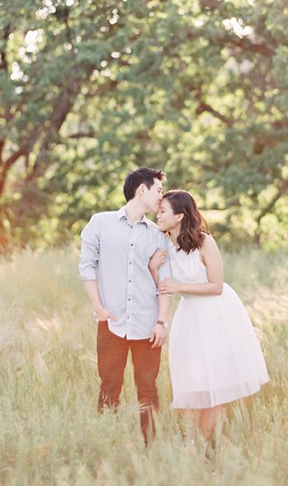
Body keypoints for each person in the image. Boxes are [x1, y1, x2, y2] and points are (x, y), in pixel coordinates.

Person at [151, 189, 268, 449]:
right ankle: (194, 440)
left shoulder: (204, 242)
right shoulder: (163, 244)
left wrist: (178, 286)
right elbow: (161, 285)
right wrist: (153, 269)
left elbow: (216, 285)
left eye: (163, 211)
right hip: (189, 317)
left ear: (179, 215)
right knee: (192, 382)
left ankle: (198, 444)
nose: (157, 215)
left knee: (216, 383)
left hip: (216, 314)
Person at [78, 167, 173, 445]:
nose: (161, 198)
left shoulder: (158, 234)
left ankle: (150, 447)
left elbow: (165, 282)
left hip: (147, 325)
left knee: (148, 389)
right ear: (141, 190)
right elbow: (86, 266)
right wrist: (98, 308)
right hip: (111, 322)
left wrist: (161, 322)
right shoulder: (100, 223)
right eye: (158, 190)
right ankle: (107, 444)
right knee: (109, 387)